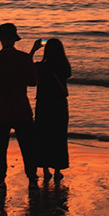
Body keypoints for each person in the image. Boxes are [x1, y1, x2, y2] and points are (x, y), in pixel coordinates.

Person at [0, 23, 37, 183]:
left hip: (1, 109)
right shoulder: (24, 58)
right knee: (28, 147)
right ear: (15, 40)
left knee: (0, 148)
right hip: (21, 108)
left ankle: (0, 181)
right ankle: (32, 178)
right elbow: (33, 82)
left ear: (0, 40)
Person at [30, 38, 72, 180]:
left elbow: (26, 67)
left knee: (43, 136)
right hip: (59, 104)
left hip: (43, 104)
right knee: (59, 136)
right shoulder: (64, 66)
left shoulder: (41, 67)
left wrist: (34, 50)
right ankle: (57, 170)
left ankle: (46, 170)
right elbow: (67, 74)